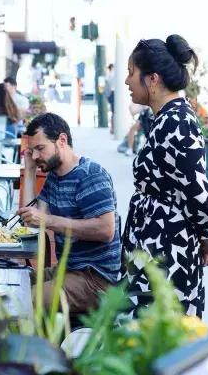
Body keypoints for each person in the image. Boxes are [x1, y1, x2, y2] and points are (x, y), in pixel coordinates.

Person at [122, 35, 208, 318]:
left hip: (167, 249)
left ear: (152, 79)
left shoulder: (177, 120)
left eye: (131, 73)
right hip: (157, 245)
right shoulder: (166, 118)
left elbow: (196, 188)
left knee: (161, 335)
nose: (127, 81)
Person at [18, 112, 121, 314]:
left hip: (95, 279)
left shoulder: (90, 175)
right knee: (11, 283)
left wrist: (48, 220)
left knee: (25, 299)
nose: (36, 156)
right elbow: (30, 220)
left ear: (62, 140)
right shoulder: (55, 177)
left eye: (40, 148)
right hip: (68, 270)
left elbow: (106, 230)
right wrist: (30, 170)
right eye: (32, 151)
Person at [105, 63, 116, 134]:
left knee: (113, 112)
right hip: (114, 93)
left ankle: (112, 128)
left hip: (111, 94)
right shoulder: (113, 75)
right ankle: (113, 128)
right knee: (114, 112)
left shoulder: (108, 76)